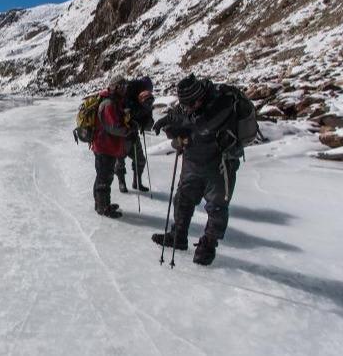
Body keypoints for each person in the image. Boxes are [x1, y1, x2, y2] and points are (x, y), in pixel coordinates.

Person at [151, 74, 242, 266]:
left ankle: (208, 246)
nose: (187, 108)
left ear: (200, 97)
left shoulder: (221, 102)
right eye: (184, 104)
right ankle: (178, 235)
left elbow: (202, 126)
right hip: (193, 161)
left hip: (220, 164)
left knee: (216, 207)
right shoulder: (188, 104)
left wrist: (178, 128)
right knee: (182, 199)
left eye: (190, 104)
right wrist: (168, 122)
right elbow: (181, 116)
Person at [91, 75, 132, 219]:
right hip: (104, 146)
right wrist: (128, 131)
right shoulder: (108, 104)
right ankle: (103, 207)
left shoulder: (114, 102)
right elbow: (113, 127)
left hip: (107, 146)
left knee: (103, 176)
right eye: (122, 87)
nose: (125, 89)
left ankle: (100, 204)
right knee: (104, 177)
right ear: (115, 87)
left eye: (125, 87)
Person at [115, 77, 155, 193]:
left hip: (133, 135)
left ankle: (137, 182)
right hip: (121, 135)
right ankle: (122, 183)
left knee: (140, 160)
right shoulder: (127, 98)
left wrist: (145, 121)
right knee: (120, 161)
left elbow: (148, 123)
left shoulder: (147, 103)